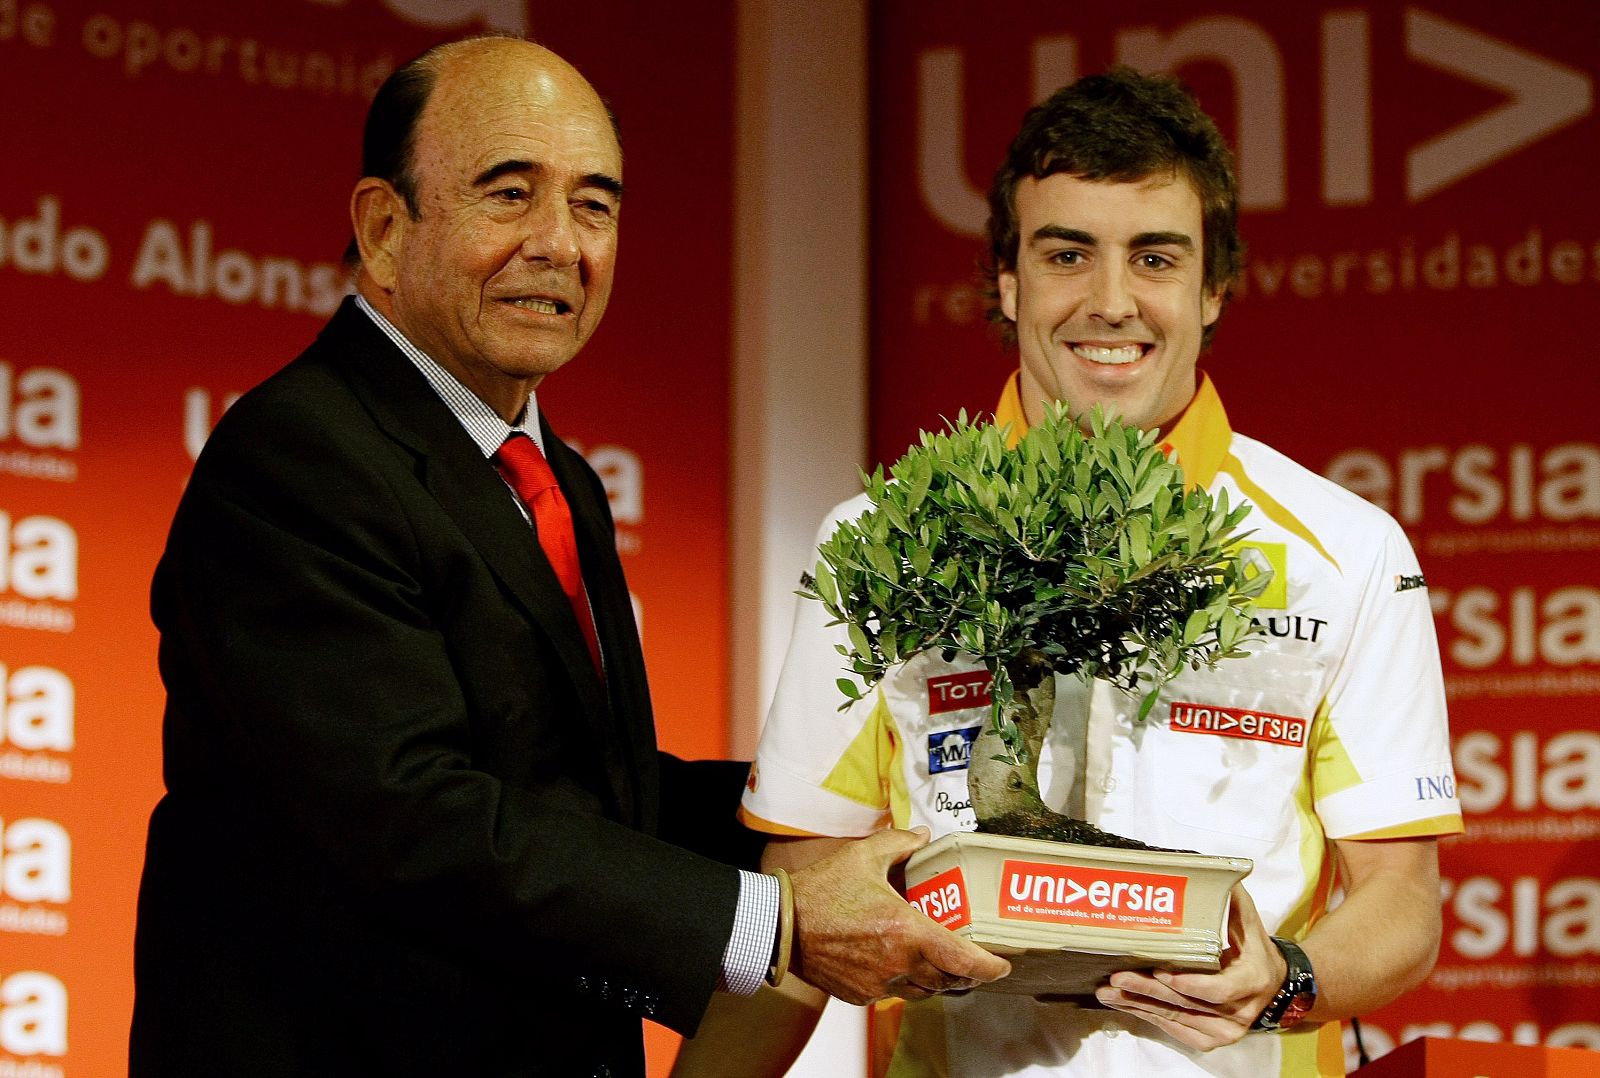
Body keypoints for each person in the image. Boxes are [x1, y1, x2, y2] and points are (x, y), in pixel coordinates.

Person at [129, 35, 1007, 1078]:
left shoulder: (554, 478)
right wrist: (773, 919)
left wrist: (834, 816)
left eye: (594, 204)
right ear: (382, 227)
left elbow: (583, 799)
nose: (559, 243)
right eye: (508, 193)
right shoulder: (299, 458)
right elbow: (416, 817)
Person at [738, 68, 1462, 1077]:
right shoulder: (883, 541)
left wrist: (1285, 978)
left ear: (1212, 289)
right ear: (1006, 280)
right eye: (1066, 253)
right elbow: (800, 895)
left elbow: (1401, 901)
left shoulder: (1342, 551)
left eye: (1154, 257)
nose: (1111, 302)